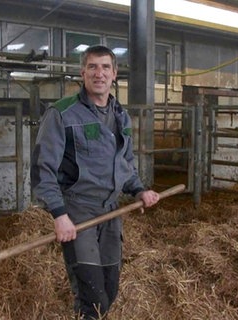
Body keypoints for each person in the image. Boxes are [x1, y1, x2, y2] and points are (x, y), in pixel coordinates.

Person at [30, 45, 160, 319]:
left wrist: (139, 190)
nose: (98, 73)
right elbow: (43, 169)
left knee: (110, 289)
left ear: (114, 74)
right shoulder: (62, 113)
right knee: (93, 297)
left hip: (112, 212)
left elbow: (125, 164)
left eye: (104, 67)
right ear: (83, 73)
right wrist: (59, 214)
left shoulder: (121, 116)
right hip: (79, 211)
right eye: (92, 67)